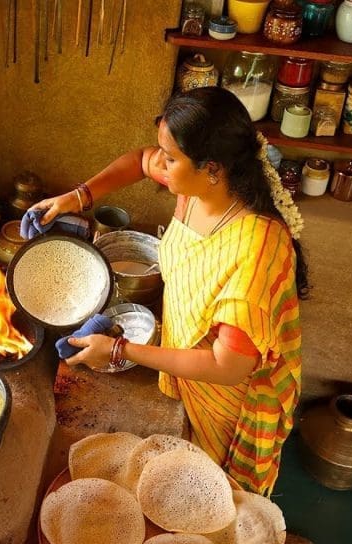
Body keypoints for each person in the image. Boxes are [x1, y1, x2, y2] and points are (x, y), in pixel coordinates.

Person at [26, 87, 308, 495]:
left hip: (227, 398)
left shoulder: (254, 251)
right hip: (189, 364)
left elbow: (228, 367)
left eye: (171, 157)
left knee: (211, 494)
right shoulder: (199, 185)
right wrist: (76, 197)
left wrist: (120, 351)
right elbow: (140, 161)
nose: (160, 162)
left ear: (213, 168)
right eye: (163, 150)